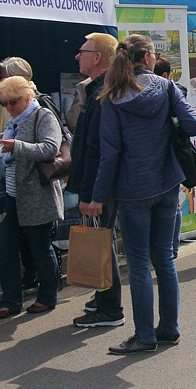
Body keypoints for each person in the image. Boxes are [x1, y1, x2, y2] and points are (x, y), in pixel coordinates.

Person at [93, 34, 196, 354]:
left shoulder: (111, 97)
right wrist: (171, 123)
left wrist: (98, 196)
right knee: (164, 259)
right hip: (167, 182)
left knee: (139, 263)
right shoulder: (167, 88)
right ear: (147, 58)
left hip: (132, 189)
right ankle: (169, 328)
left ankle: (144, 336)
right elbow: (194, 125)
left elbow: (110, 153)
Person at [0, 76, 64, 319]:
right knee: (6, 249)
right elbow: (8, 154)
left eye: (13, 102)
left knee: (40, 248)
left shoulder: (43, 116)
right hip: (9, 194)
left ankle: (47, 296)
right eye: (4, 103)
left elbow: (50, 148)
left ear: (27, 98)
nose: (8, 107)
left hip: (37, 194)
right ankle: (10, 300)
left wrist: (14, 145)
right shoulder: (13, 120)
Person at [66, 33, 124, 329]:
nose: (78, 56)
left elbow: (98, 150)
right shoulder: (97, 90)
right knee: (103, 240)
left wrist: (92, 194)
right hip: (99, 184)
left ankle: (110, 308)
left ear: (98, 57)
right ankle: (102, 298)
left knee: (103, 240)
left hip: (100, 186)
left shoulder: (102, 95)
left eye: (83, 51)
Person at [154, 57, 188, 259]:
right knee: (172, 204)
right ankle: (170, 247)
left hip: (168, 156)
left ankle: (171, 247)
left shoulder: (173, 93)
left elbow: (192, 124)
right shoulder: (176, 93)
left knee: (171, 204)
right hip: (171, 155)